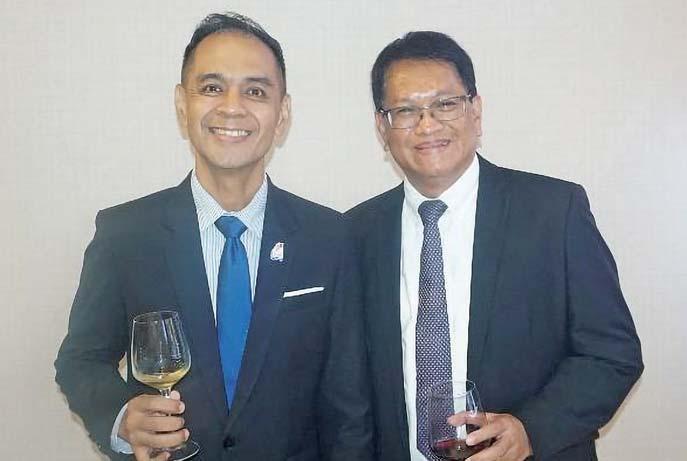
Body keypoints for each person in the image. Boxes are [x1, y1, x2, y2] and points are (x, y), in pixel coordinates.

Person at [55, 12, 372, 461]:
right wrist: (121, 417)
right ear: (182, 105)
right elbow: (80, 359)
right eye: (211, 87)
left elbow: (349, 408)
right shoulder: (126, 234)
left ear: (282, 114)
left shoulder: (329, 237)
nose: (231, 107)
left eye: (255, 91)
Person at [345, 31, 643, 461]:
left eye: (446, 104)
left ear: (476, 111)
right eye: (406, 110)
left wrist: (530, 431)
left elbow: (613, 355)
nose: (427, 125)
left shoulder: (553, 212)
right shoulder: (354, 234)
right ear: (382, 127)